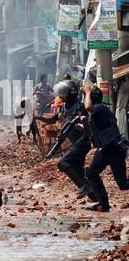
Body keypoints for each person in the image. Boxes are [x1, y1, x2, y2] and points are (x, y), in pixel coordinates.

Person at [36, 80, 94, 199]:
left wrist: (65, 121)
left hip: (83, 142)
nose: (61, 96)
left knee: (62, 163)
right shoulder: (63, 107)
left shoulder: (80, 107)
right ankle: (97, 199)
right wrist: (38, 117)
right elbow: (53, 119)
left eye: (64, 93)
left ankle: (84, 187)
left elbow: (82, 127)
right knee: (79, 172)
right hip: (75, 143)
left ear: (71, 93)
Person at [84, 83, 129, 212]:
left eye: (87, 96)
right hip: (105, 150)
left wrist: (87, 91)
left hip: (114, 150)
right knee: (91, 173)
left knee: (123, 184)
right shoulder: (99, 110)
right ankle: (103, 204)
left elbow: (88, 107)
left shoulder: (99, 107)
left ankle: (103, 203)